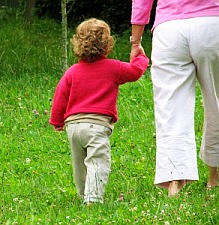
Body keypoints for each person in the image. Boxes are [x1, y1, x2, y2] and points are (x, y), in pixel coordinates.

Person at [49, 18, 149, 204]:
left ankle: (83, 195)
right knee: (97, 162)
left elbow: (60, 96)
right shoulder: (114, 68)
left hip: (73, 126)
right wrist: (141, 57)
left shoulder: (72, 71)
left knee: (80, 165)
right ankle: (93, 199)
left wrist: (57, 121)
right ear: (107, 44)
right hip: (96, 126)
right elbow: (135, 71)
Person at [130, 0, 219, 197]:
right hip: (213, 24)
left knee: (170, 107)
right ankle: (215, 175)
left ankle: (174, 179)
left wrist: (136, 41)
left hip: (169, 30)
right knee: (217, 102)